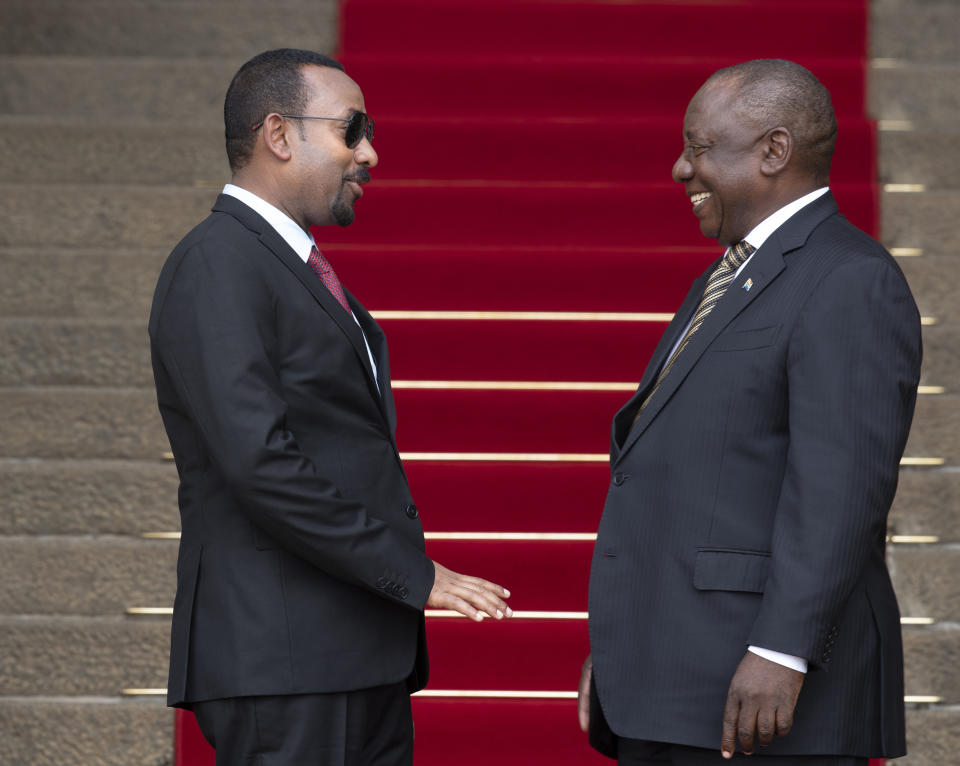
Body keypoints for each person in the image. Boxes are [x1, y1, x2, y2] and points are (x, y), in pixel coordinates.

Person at [148, 48, 512, 766]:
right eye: (353, 130)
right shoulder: (219, 261)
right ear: (279, 135)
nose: (370, 152)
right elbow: (259, 460)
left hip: (346, 655)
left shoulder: (284, 263)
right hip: (285, 660)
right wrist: (414, 573)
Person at [577, 59, 921, 765]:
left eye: (699, 147)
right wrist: (624, 649)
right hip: (677, 679)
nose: (680, 168)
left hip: (760, 695)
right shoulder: (733, 272)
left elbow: (841, 487)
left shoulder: (850, 280)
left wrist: (782, 651)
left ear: (773, 151)